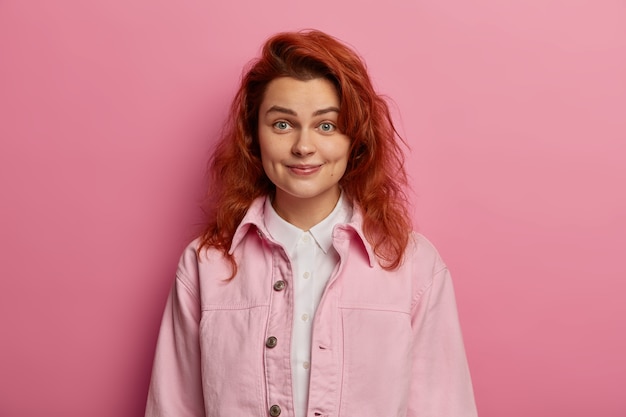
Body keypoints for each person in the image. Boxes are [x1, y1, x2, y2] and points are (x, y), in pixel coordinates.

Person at [145, 29, 477, 417]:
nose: (304, 146)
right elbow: (173, 407)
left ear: (356, 140)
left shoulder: (414, 265)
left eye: (327, 126)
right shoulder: (205, 264)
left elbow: (444, 407)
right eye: (282, 124)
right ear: (254, 136)